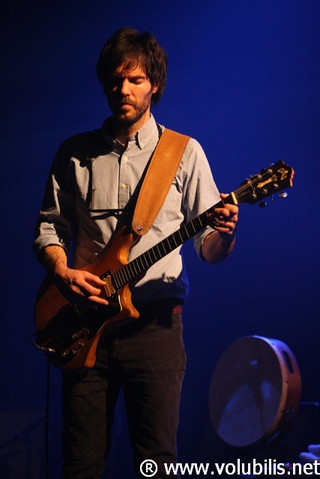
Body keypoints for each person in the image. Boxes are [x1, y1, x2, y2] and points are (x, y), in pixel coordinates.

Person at [33, 28, 239, 479]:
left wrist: (224, 232)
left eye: (135, 80)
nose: (122, 90)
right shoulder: (74, 154)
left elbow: (210, 251)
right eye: (115, 80)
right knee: (81, 462)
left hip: (156, 327)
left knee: (157, 461)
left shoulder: (184, 153)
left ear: (155, 84)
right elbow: (49, 227)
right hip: (87, 326)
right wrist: (63, 271)